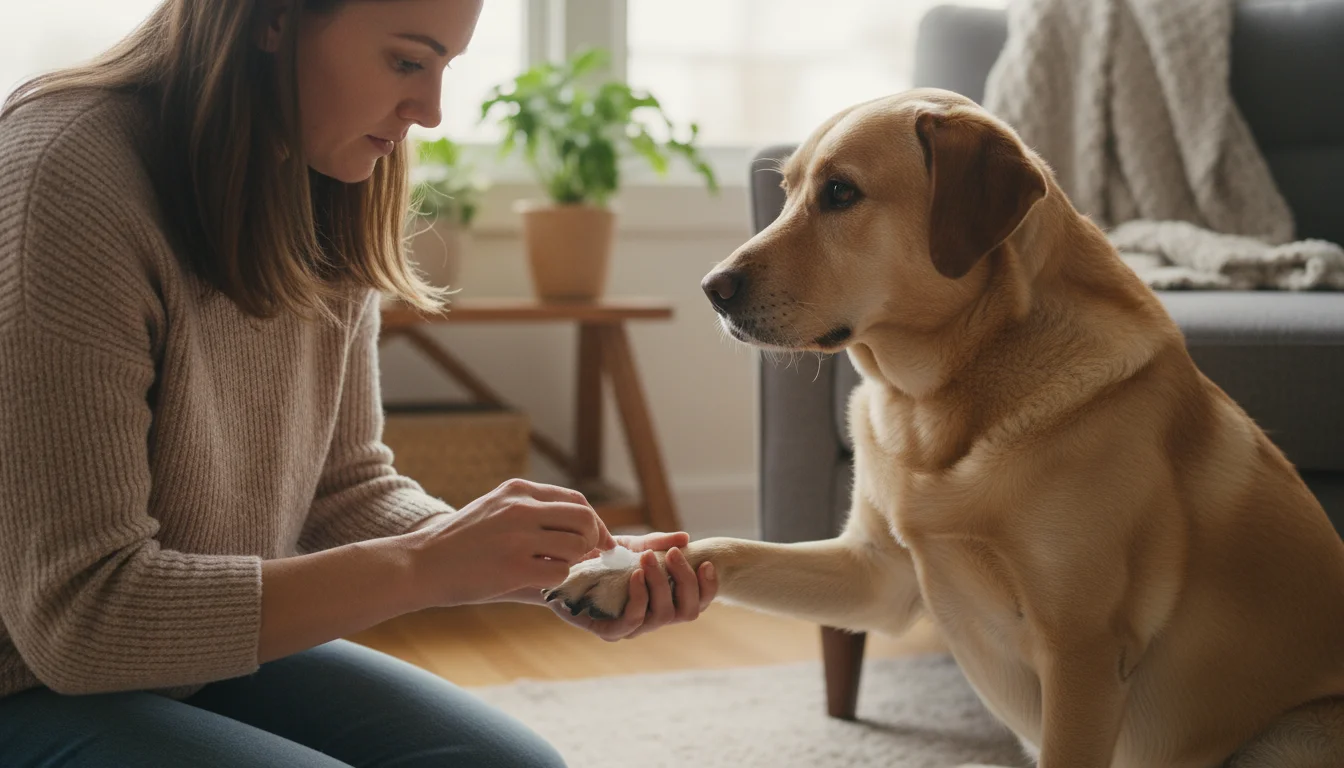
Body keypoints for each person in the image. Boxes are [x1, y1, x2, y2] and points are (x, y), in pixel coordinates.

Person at [0, 1, 717, 765]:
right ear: (272, 19)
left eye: (446, 67)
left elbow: (343, 488)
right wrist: (422, 566)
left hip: (182, 659)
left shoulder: (328, 170)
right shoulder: (66, 174)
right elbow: (81, 620)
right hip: (27, 679)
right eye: (408, 62)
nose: (432, 112)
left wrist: (561, 573)